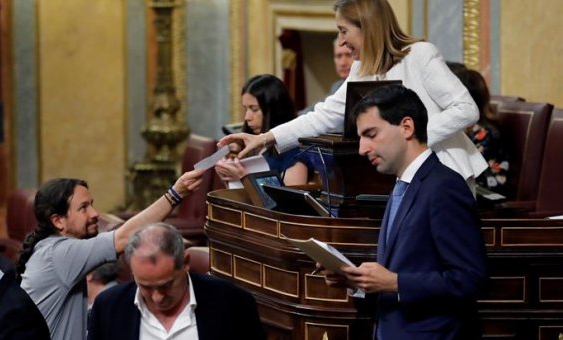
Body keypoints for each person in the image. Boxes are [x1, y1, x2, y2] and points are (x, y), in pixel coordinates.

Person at [218, 0, 487, 194]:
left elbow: (466, 109)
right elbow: (325, 115)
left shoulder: (420, 54)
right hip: (397, 179)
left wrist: (410, 140)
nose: (342, 42)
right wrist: (265, 138)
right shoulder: (362, 68)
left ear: (367, 27)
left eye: (344, 31)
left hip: (446, 175)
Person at [321, 85, 487, 339]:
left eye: (371, 134)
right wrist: (356, 280)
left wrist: (395, 282)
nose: (362, 149)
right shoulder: (403, 184)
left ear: (407, 127)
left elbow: (470, 280)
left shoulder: (444, 187)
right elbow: (406, 267)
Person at [18, 169, 204, 340]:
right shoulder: (59, 254)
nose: (94, 213)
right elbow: (124, 237)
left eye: (91, 205)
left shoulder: (50, 250)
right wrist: (175, 194)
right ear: (58, 221)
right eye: (83, 208)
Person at [88, 223, 266, 340]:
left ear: (186, 263)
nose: (157, 298)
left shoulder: (232, 302)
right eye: (145, 286)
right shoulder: (108, 307)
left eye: (166, 285)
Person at [215, 74, 309, 186]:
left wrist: (245, 178)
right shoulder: (249, 146)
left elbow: (289, 201)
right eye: (245, 109)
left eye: (254, 109)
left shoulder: (294, 153)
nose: (247, 117)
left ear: (275, 110)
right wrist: (228, 177)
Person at [453, 68, 509, 195]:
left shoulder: (486, 133)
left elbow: (468, 171)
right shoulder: (463, 127)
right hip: (465, 193)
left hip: (485, 194)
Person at [298, 38, 354, 115]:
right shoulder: (337, 86)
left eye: (348, 55)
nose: (343, 63)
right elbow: (317, 108)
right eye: (338, 56)